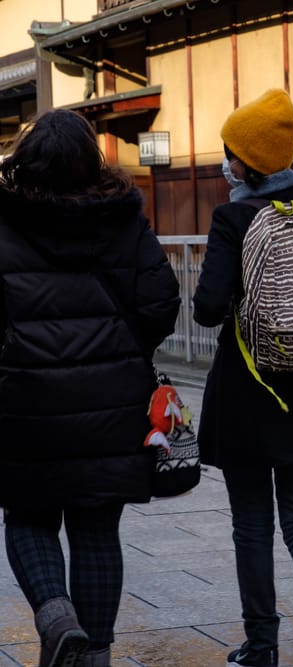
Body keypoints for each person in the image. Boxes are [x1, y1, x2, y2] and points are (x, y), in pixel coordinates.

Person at [0, 109, 180, 667]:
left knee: (28, 516)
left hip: (23, 403)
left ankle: (56, 620)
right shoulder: (124, 220)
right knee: (98, 527)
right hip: (113, 402)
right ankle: (94, 655)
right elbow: (161, 306)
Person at [193, 89, 293, 667]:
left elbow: (208, 307)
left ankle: (261, 645)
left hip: (247, 394)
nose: (225, 160)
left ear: (243, 161)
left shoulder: (233, 217)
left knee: (252, 527)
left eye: (229, 152)